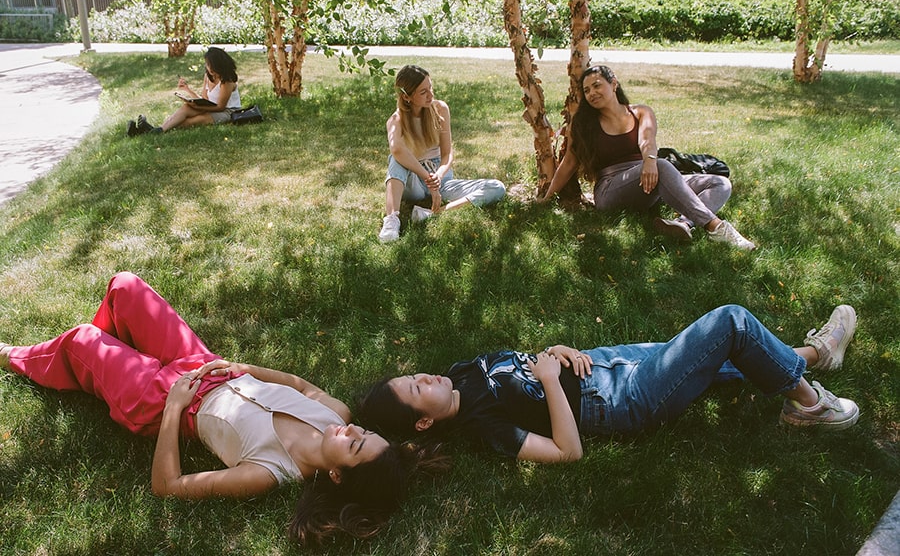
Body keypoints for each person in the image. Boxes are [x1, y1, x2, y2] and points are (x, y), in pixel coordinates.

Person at [0, 272, 442, 545]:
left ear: (336, 475)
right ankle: (101, 366)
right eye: (362, 432)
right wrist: (244, 367)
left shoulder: (269, 472)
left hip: (161, 402)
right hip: (206, 365)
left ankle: (19, 356)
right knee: (125, 286)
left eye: (353, 446)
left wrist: (173, 407)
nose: (350, 432)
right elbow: (302, 385)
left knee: (82, 340)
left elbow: (168, 485)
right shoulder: (337, 415)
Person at [358, 304, 859, 463]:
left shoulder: (461, 371)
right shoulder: (483, 428)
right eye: (417, 389)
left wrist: (556, 351)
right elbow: (567, 452)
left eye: (412, 375)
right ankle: (808, 402)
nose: (424, 376)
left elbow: (531, 361)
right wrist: (553, 382)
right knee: (728, 324)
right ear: (424, 421)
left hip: (607, 362)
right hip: (621, 400)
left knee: (720, 356)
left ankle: (815, 354)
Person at [537, 65, 756, 250]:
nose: (591, 93)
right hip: (611, 189)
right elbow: (569, 163)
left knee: (720, 182)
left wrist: (649, 162)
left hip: (648, 177)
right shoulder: (584, 124)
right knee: (661, 165)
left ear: (613, 84)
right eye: (586, 90)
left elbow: (647, 139)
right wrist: (547, 198)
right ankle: (716, 227)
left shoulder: (640, 112)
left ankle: (682, 224)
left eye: (597, 85)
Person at [378, 64, 507, 243]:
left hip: (441, 180)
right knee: (396, 159)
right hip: (414, 180)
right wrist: (427, 178)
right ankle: (391, 220)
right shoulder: (396, 120)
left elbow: (447, 154)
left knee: (497, 187)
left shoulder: (440, 109)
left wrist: (438, 176)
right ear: (407, 97)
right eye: (423, 92)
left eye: (430, 87)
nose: (431, 95)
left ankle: (431, 215)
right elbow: (397, 149)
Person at [127, 47, 241, 136]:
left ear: (219, 64)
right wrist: (188, 90)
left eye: (211, 65)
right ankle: (155, 130)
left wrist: (198, 108)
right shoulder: (208, 76)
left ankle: (149, 131)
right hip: (212, 108)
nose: (209, 68)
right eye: (207, 64)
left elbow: (221, 107)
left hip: (228, 112)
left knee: (191, 121)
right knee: (186, 108)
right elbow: (205, 100)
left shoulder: (227, 80)